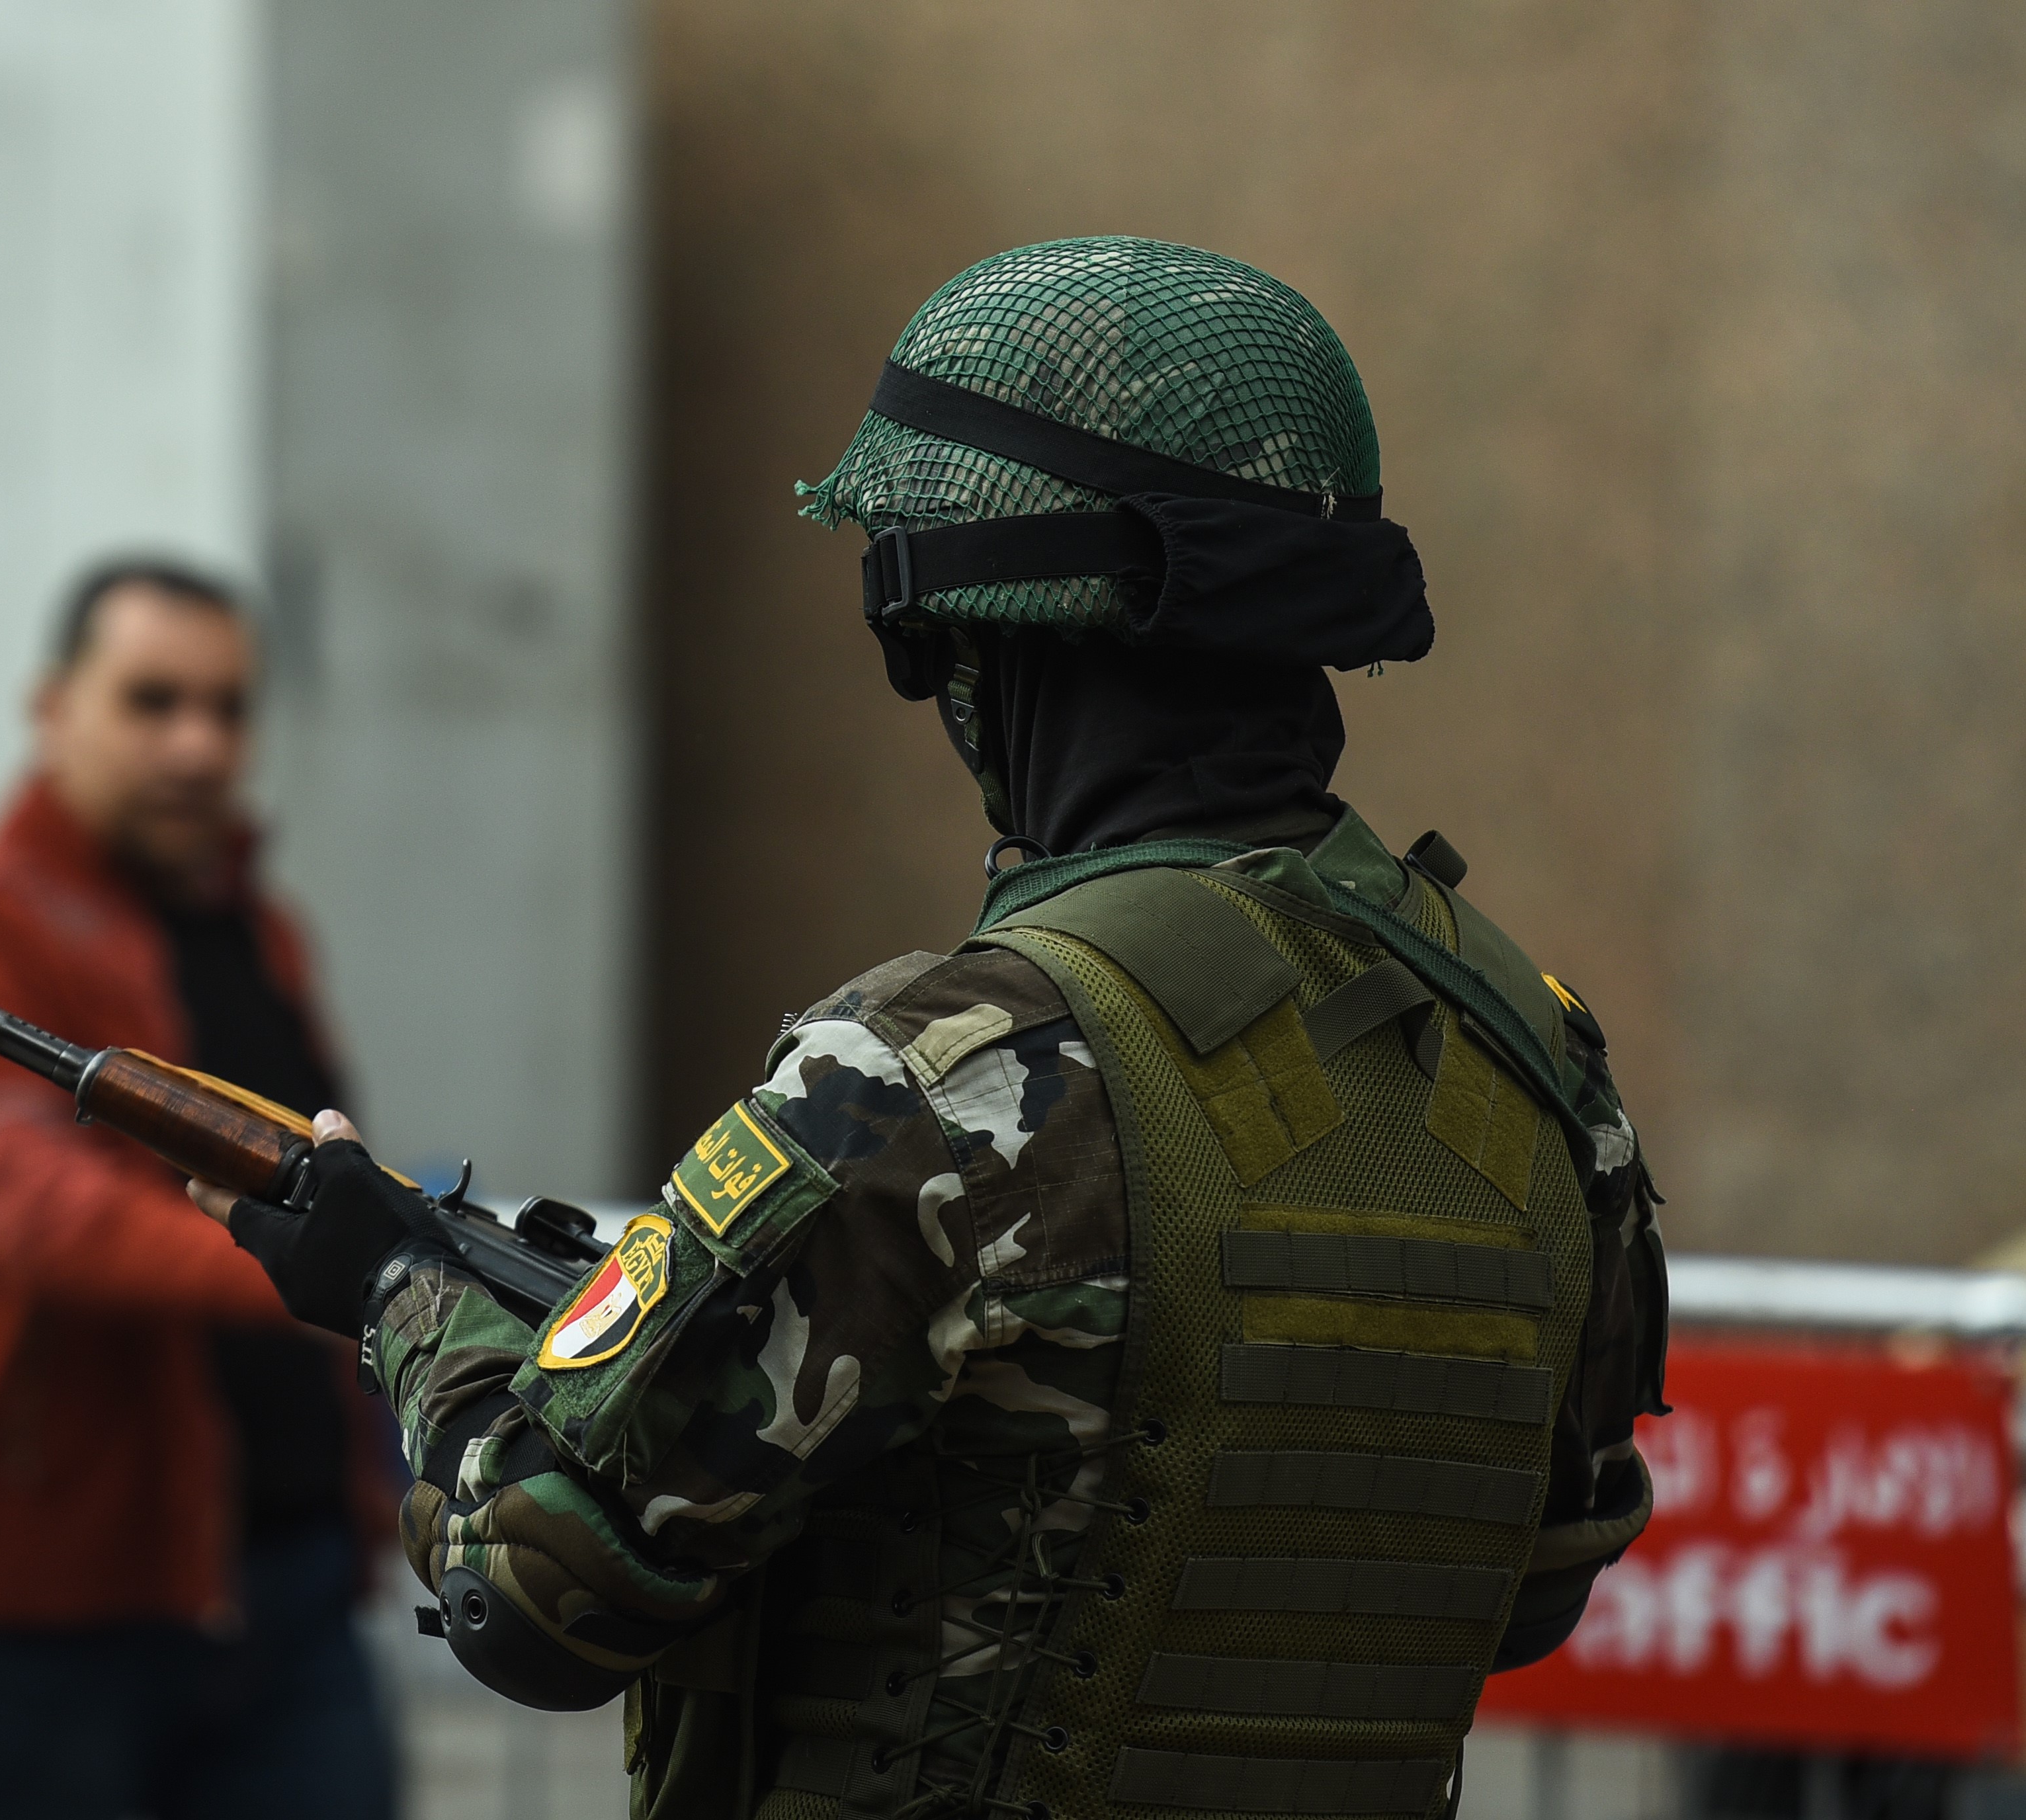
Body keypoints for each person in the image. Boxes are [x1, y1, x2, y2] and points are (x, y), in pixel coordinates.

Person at [197, 239, 1671, 1820]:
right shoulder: (1533, 1059)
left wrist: (399, 1292)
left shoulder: (945, 1066)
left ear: (973, 638)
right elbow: (1532, 1578)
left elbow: (543, 1582)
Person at [0, 559, 397, 1820]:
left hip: (293, 1585)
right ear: (53, 708)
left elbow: (334, 1179)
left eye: (228, 708)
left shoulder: (260, 928)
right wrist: (319, 1268)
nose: (199, 744)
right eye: (153, 701)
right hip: (45, 1613)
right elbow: (33, 1205)